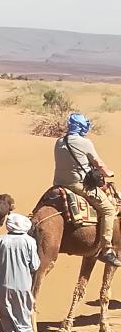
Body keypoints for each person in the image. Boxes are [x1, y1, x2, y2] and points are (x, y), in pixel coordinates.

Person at [53, 112, 120, 266]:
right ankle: (106, 249)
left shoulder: (59, 141)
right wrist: (108, 173)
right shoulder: (85, 143)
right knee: (109, 209)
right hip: (78, 184)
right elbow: (98, 164)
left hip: (59, 183)